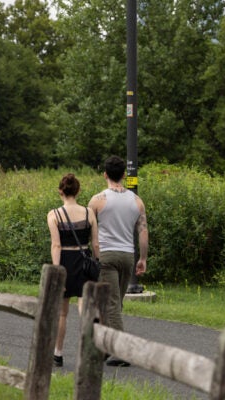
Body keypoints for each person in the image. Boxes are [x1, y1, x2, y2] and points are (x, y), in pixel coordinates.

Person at [88, 155, 148, 367]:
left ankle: (121, 351)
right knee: (116, 302)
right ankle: (106, 347)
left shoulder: (97, 200)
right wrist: (142, 258)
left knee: (111, 303)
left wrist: (94, 255)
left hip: (106, 255)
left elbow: (91, 232)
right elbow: (142, 231)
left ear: (105, 174)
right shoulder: (136, 201)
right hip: (127, 256)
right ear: (124, 175)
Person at [47, 173, 99, 368]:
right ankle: (88, 351)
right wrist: (97, 262)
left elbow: (56, 245)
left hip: (65, 262)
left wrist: (57, 270)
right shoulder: (89, 213)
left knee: (62, 313)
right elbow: (95, 243)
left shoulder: (54, 215)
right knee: (85, 308)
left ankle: (58, 353)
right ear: (78, 191)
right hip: (84, 260)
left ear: (60, 191)